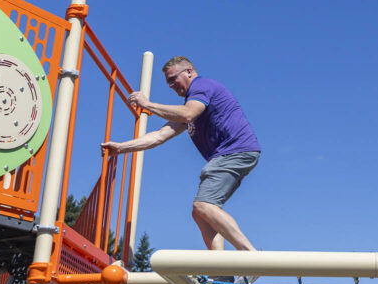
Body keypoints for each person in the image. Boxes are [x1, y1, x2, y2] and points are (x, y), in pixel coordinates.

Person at [101, 56, 261, 253]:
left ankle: (250, 255)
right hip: (232, 153)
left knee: (204, 205)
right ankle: (220, 271)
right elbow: (159, 136)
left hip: (234, 151)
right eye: (168, 82)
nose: (171, 85)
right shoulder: (191, 103)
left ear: (189, 72)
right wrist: (121, 147)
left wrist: (147, 104)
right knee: (200, 212)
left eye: (172, 79)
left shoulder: (201, 87)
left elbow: (187, 114)